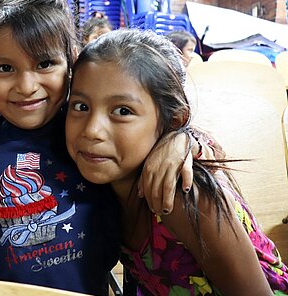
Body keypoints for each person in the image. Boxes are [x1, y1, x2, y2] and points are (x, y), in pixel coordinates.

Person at [0, 1, 199, 295]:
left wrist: (184, 138)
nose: (26, 86)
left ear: (72, 61)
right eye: (5, 69)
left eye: (45, 63)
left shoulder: (86, 128)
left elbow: (162, 112)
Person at [65, 28, 288, 295]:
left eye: (122, 111)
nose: (92, 130)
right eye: (80, 106)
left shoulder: (182, 194)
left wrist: (187, 138)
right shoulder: (99, 180)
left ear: (173, 121)